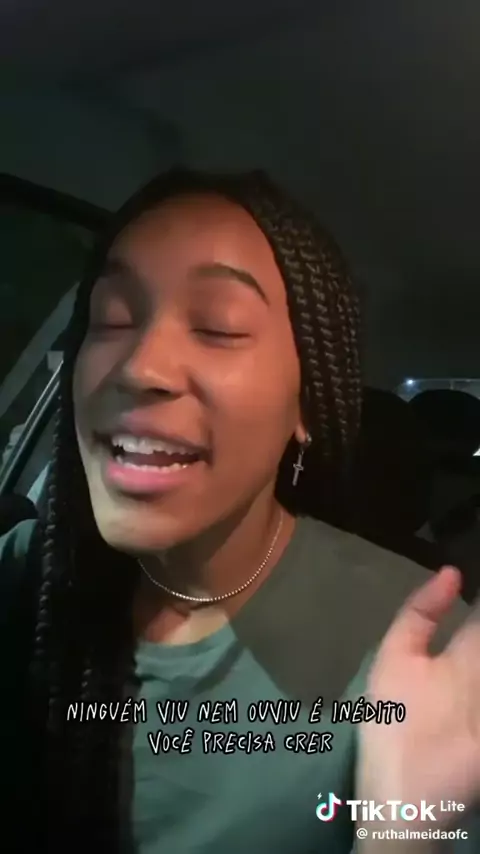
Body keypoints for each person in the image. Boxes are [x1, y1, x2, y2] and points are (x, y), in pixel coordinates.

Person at [1, 168, 479, 854]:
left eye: (218, 326)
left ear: (306, 404)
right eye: (112, 320)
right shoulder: (23, 575)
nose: (139, 366)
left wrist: (401, 835)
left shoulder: (422, 653)